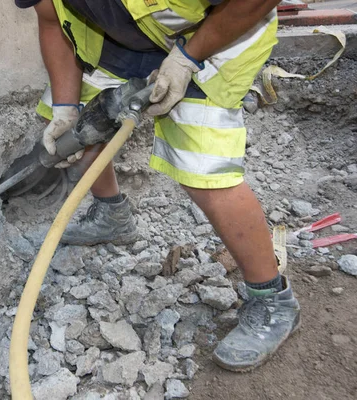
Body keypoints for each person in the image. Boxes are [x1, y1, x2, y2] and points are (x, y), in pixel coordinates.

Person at [15, 0, 300, 372]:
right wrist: (66, 107)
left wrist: (186, 59)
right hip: (114, 45)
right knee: (81, 132)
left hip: (218, 35)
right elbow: (52, 20)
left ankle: (273, 301)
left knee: (205, 173)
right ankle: (112, 216)